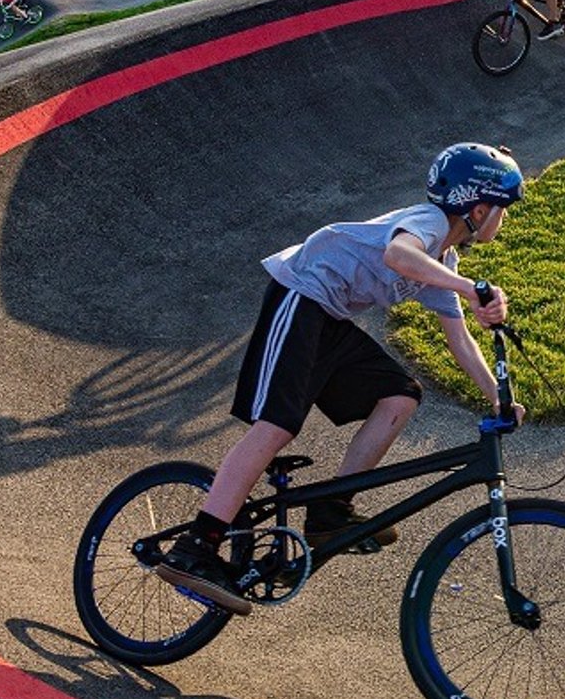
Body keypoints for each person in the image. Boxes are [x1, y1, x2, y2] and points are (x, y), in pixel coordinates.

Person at [156, 143, 528, 613]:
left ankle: (331, 514)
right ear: (478, 209)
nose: (504, 220)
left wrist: (498, 398)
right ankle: (196, 547)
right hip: (300, 294)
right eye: (504, 210)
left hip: (329, 317)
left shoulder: (444, 261)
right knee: (277, 426)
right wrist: (470, 289)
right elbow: (397, 254)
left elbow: (459, 339)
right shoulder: (428, 225)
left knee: (399, 395)